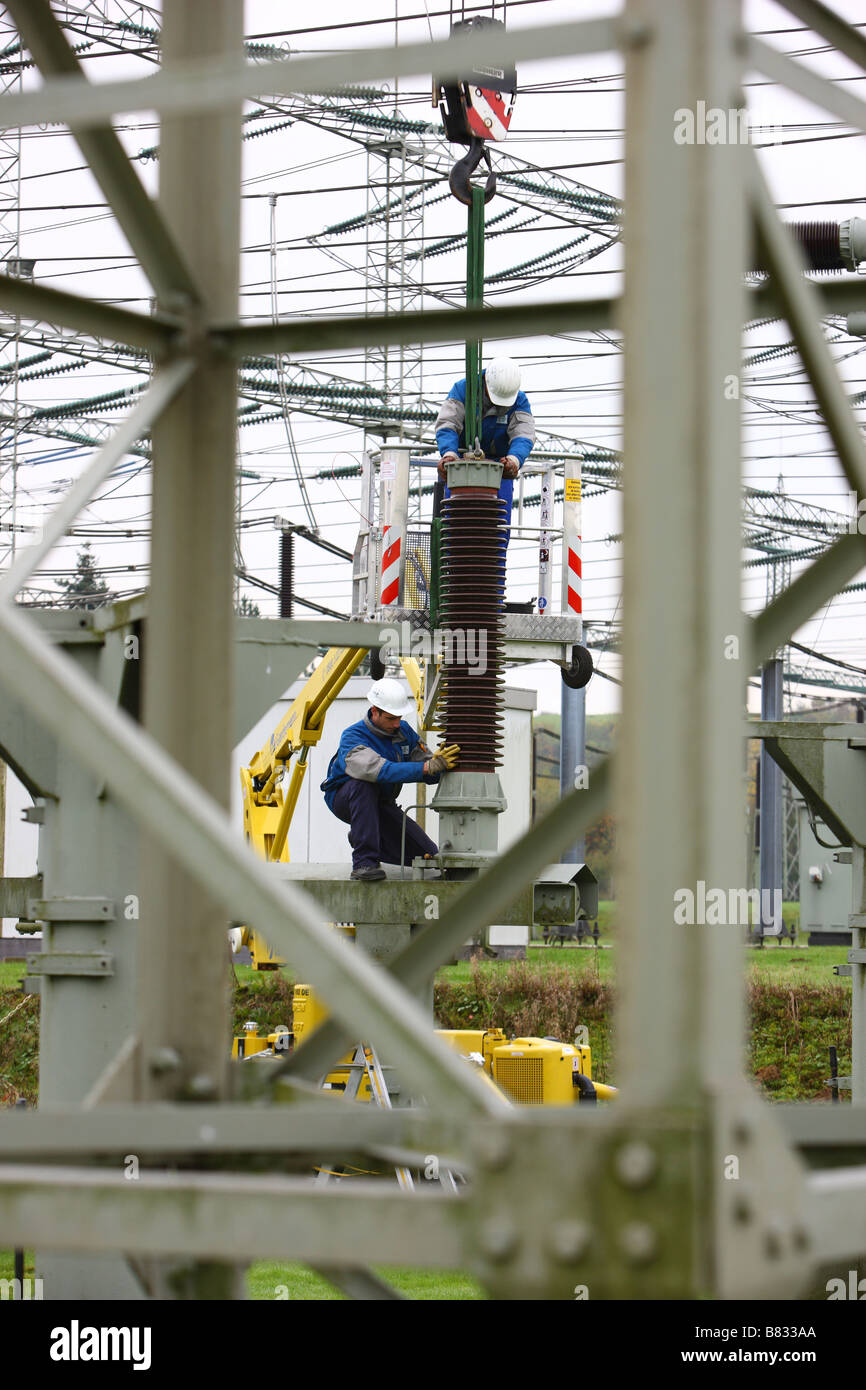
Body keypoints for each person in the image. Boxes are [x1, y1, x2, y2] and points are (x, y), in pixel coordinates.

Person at [321, 677, 460, 881]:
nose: (396, 724)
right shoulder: (353, 737)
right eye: (390, 718)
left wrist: (440, 765)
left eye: (399, 717)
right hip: (346, 799)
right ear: (375, 711)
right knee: (363, 785)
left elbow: (427, 768)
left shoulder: (403, 732)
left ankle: (366, 836)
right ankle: (364, 863)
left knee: (428, 855)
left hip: (381, 803)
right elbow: (379, 771)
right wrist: (426, 767)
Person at [434, 357, 536, 523]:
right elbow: (448, 424)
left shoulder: (519, 401)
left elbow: (524, 435)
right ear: (486, 383)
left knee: (497, 525)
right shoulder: (463, 390)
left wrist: (513, 461)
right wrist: (449, 455)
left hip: (498, 468)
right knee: (454, 522)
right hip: (458, 465)